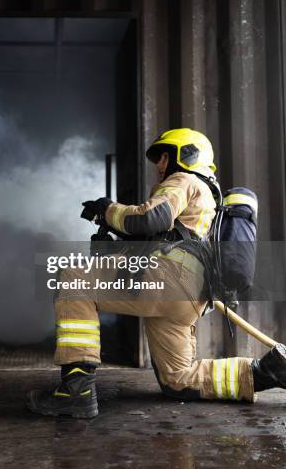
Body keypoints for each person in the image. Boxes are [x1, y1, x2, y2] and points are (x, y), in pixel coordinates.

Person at [26, 128, 286, 418]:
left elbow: (150, 217)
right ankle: (266, 373)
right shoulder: (210, 201)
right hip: (189, 297)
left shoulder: (184, 180)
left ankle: (76, 392)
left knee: (73, 278)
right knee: (178, 379)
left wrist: (108, 209)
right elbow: (166, 237)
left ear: (185, 156)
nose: (160, 166)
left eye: (164, 157)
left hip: (168, 279)